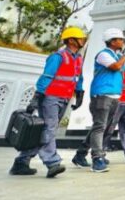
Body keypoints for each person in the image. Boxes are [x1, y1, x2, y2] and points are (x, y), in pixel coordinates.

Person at [9, 26, 87, 178]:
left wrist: (80, 95)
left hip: (64, 98)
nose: (83, 40)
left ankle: (21, 162)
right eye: (81, 38)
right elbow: (46, 77)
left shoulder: (78, 58)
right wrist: (37, 96)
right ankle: (52, 163)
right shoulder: (58, 56)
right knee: (49, 129)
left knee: (45, 130)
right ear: (71, 40)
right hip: (50, 97)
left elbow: (78, 78)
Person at [71, 28, 125, 172]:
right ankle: (97, 159)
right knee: (100, 127)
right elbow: (115, 67)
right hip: (101, 94)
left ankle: (80, 154)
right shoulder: (104, 55)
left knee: (100, 127)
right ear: (112, 41)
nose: (123, 42)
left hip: (114, 96)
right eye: (120, 39)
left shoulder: (117, 55)